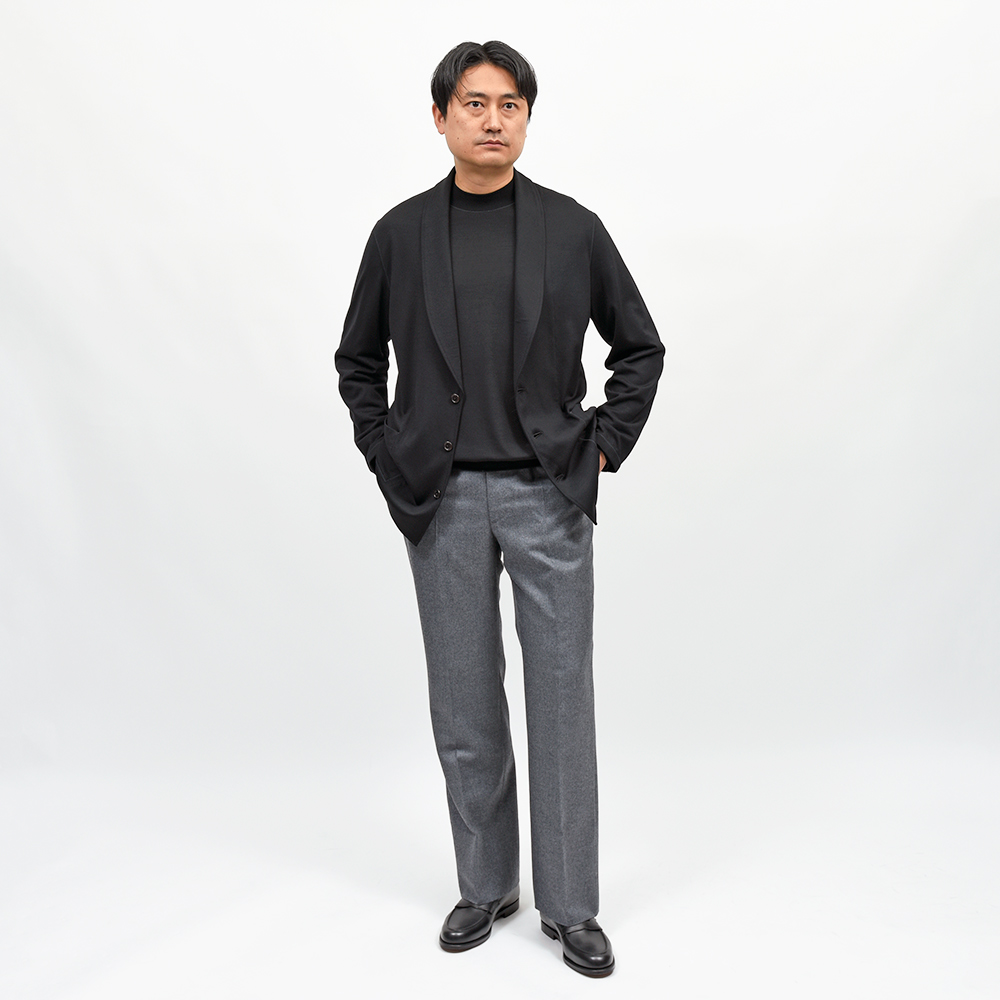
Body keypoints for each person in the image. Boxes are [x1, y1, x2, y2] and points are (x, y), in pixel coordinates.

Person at [336, 40, 663, 978]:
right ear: (441, 117)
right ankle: (485, 887)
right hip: (439, 499)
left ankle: (571, 905)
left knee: (561, 700)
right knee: (465, 700)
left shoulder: (573, 229)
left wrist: (601, 446)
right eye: (474, 103)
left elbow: (640, 348)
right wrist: (385, 451)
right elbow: (357, 361)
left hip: (546, 492)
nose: (492, 119)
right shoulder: (400, 234)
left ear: (527, 117)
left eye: (509, 103)